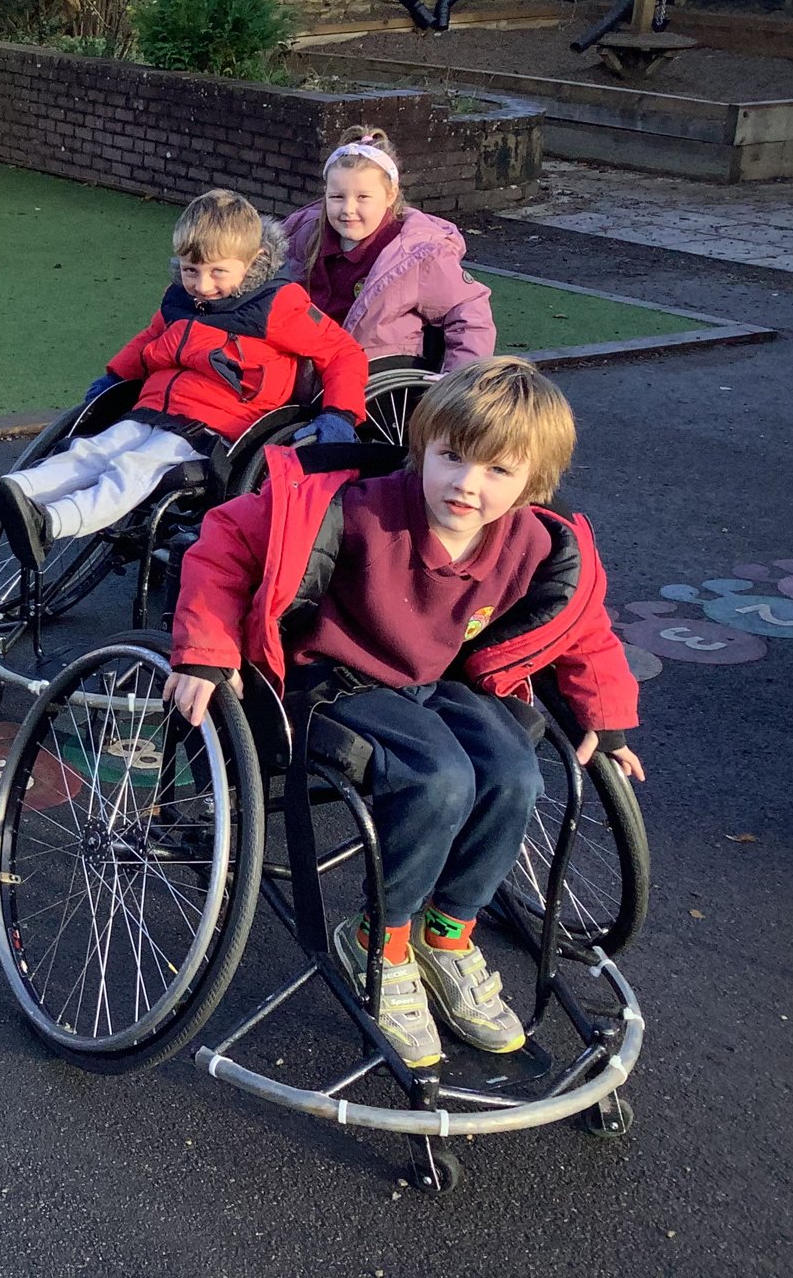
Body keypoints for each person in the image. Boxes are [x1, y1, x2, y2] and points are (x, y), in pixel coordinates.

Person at [164, 357, 644, 1068]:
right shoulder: (355, 506)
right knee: (440, 777)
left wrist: (604, 713)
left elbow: (579, 623)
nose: (467, 485)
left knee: (517, 776)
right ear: (423, 446)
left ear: (532, 486)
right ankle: (380, 938)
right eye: (452, 457)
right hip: (332, 677)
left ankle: (448, 931)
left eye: (497, 472)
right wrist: (205, 648)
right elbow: (226, 542)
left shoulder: (536, 543)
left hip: (437, 681)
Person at [0, 188, 368, 569]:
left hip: (214, 428)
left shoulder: (278, 305)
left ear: (253, 262)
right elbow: (150, 337)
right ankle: (4, 493)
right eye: (190, 270)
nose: (202, 285)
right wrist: (113, 377)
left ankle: (51, 522)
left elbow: (343, 352)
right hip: (155, 407)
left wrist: (340, 414)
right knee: (91, 450)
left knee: (134, 467)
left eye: (218, 272)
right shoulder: (179, 298)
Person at [279, 125, 496, 369]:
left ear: (390, 195)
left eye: (363, 197)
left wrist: (457, 384)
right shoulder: (302, 235)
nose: (348, 209)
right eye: (337, 197)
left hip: (373, 380)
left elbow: (468, 313)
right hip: (302, 367)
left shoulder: (417, 255)